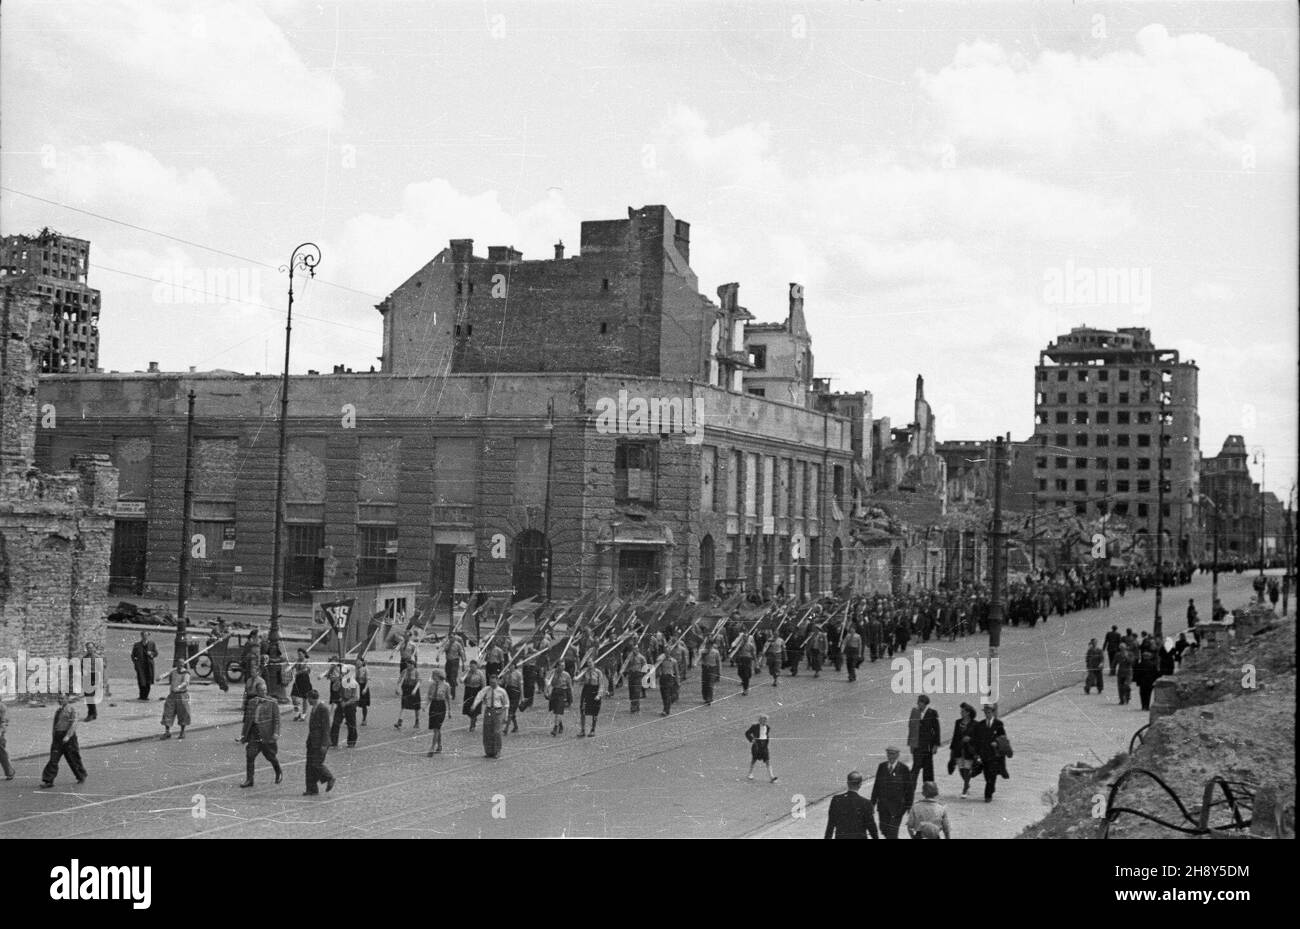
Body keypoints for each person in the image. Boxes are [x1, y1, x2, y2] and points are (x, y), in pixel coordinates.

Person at [240, 679, 282, 787]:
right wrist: (243, 735)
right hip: (255, 733)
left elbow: (277, 719)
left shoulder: (272, 702)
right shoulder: (252, 702)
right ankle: (250, 780)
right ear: (257, 692)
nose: (264, 692)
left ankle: (278, 771)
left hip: (267, 734)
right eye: (261, 690)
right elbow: (248, 720)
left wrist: (276, 733)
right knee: (250, 755)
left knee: (270, 756)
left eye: (265, 690)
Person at [40, 693, 87, 788]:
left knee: (73, 758)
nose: (60, 700)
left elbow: (74, 724)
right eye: (59, 698)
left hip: (68, 738)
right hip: (58, 738)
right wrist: (54, 735)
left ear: (67, 699)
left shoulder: (72, 710)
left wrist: (68, 736)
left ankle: (81, 776)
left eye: (62, 698)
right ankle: (48, 780)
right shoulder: (58, 710)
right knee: (53, 759)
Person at [870, 746, 913, 838]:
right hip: (883, 806)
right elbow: (876, 786)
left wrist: (909, 806)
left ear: (897, 755)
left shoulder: (904, 769)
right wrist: (872, 803)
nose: (890, 756)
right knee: (883, 829)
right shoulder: (881, 767)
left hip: (898, 808)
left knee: (892, 833)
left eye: (893, 754)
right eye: (888, 753)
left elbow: (909, 789)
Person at [824, 770, 878, 838]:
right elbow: (872, 828)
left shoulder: (836, 800)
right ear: (860, 784)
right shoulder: (866, 803)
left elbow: (830, 826)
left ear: (847, 783)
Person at [972, 703, 1008, 802]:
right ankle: (991, 788)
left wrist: (996, 743)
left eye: (989, 712)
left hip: (994, 755)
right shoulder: (980, 725)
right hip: (984, 755)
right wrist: (977, 754)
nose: (987, 714)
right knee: (987, 775)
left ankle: (988, 796)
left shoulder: (998, 724)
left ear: (993, 712)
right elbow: (976, 740)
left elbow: (1003, 738)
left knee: (991, 775)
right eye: (985, 712)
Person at [303, 690, 335, 796]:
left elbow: (326, 727)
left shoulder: (323, 709)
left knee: (316, 764)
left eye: (308, 699)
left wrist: (324, 744)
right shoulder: (314, 708)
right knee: (309, 766)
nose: (308, 701)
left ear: (312, 698)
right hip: (312, 742)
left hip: (320, 742)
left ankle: (329, 777)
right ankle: (311, 789)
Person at [471, 672, 510, 758]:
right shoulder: (487, 689)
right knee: (487, 732)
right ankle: (489, 752)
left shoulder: (502, 691)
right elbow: (479, 696)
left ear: (497, 681)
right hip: (488, 711)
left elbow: (506, 704)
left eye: (494, 683)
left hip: (498, 712)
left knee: (497, 732)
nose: (492, 684)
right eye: (490, 683)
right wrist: (474, 705)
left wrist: (506, 716)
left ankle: (498, 751)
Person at [907, 694, 941, 787]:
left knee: (928, 768)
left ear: (925, 704)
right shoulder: (915, 712)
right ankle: (910, 788)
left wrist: (936, 745)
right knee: (916, 767)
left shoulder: (932, 713)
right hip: (917, 746)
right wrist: (911, 744)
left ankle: (929, 788)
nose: (919, 705)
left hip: (928, 746)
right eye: (918, 703)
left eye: (921, 703)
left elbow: (936, 730)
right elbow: (911, 728)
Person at [947, 703, 978, 796]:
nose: (961, 713)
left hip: (969, 750)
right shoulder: (958, 722)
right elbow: (955, 736)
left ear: (968, 713)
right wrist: (952, 749)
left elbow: (978, 737)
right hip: (958, 749)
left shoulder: (975, 724)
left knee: (967, 769)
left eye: (963, 711)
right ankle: (967, 784)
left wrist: (970, 739)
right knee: (961, 769)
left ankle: (964, 789)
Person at [160, 658, 191, 739]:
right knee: (168, 712)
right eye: (179, 664)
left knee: (183, 713)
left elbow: (186, 682)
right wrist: (161, 677)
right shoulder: (173, 671)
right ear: (176, 664)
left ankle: (182, 732)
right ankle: (167, 732)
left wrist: (179, 687)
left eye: (182, 664)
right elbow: (166, 674)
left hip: (182, 695)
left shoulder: (186, 673)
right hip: (172, 695)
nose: (180, 665)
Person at [576, 660, 606, 738]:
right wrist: (577, 677)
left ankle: (593, 729)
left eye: (590, 663)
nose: (589, 664)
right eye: (587, 663)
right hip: (586, 691)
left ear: (594, 663)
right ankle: (582, 730)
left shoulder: (598, 672)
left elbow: (601, 684)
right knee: (582, 710)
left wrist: (599, 695)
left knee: (594, 711)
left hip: (594, 691)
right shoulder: (584, 671)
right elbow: (578, 680)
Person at [332, 664, 360, 747]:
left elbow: (356, 697)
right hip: (342, 702)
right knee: (336, 722)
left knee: (351, 723)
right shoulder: (342, 681)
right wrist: (338, 680)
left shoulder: (354, 684)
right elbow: (335, 689)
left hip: (350, 704)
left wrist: (347, 703)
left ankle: (351, 741)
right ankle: (333, 741)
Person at [744, 714, 778, 783]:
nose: (765, 721)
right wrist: (751, 739)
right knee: (754, 759)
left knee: (767, 760)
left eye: (766, 720)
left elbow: (766, 735)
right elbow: (747, 733)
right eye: (763, 720)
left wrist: (766, 741)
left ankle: (771, 777)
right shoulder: (754, 727)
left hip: (764, 746)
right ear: (760, 720)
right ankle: (750, 773)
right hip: (756, 745)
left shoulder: (768, 727)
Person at [426, 668, 452, 755]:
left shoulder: (446, 685)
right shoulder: (432, 685)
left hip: (441, 706)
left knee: (437, 728)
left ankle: (432, 747)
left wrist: (449, 711)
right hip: (433, 706)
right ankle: (439, 745)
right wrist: (425, 706)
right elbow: (429, 696)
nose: (432, 677)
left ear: (438, 676)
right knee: (436, 728)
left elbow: (448, 698)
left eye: (434, 675)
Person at [546, 662, 572, 735]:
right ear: (557, 666)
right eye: (561, 666)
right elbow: (547, 681)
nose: (563, 667)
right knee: (555, 710)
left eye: (564, 666)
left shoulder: (566, 675)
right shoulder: (552, 673)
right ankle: (560, 725)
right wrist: (547, 691)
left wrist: (570, 698)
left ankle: (555, 728)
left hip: (562, 693)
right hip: (554, 692)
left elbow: (570, 686)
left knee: (558, 711)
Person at [131, 631, 158, 701]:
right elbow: (133, 655)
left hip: (149, 665)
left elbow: (156, 653)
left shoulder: (152, 644)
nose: (144, 637)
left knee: (148, 680)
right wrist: (135, 663)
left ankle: (146, 696)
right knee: (141, 680)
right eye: (143, 635)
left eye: (146, 635)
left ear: (148, 636)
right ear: (141, 636)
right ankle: (141, 695)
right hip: (140, 665)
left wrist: (151, 653)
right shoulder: (137, 645)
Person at [394, 663, 421, 730]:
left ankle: (417, 721)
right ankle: (399, 722)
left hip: (414, 689)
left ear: (413, 665)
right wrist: (397, 688)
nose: (408, 666)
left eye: (409, 665)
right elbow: (400, 680)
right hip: (406, 689)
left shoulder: (416, 671)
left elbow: (419, 682)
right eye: (407, 665)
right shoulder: (404, 671)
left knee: (416, 707)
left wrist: (415, 690)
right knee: (403, 705)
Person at [462, 661, 486, 731]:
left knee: (475, 709)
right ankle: (473, 719)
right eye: (470, 666)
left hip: (476, 691)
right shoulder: (468, 672)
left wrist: (483, 695)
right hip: (468, 690)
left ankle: (472, 725)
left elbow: (483, 684)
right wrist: (465, 673)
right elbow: (461, 680)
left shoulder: (480, 674)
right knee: (467, 708)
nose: (472, 668)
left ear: (476, 666)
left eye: (473, 666)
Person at [289, 648, 312, 721]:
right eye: (298, 654)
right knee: (293, 696)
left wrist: (298, 672)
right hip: (297, 681)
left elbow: (307, 670)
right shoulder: (297, 661)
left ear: (304, 654)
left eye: (300, 654)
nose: (299, 655)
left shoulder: (307, 661)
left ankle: (303, 715)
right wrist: (290, 668)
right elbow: (292, 667)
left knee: (305, 698)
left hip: (305, 680)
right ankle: (297, 712)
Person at [1133, 647, 1158, 711]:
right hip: (1150, 682)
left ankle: (1143, 706)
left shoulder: (1140, 664)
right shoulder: (1152, 664)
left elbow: (1136, 673)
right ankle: (1147, 706)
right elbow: (1156, 674)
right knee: (1148, 694)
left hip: (1142, 682)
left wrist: (1137, 681)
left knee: (1142, 694)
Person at [656, 650, 679, 717]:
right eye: (665, 652)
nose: (667, 653)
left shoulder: (674, 661)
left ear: (670, 653)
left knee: (667, 695)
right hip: (663, 678)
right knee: (663, 695)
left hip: (670, 678)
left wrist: (678, 682)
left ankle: (666, 710)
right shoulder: (661, 660)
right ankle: (665, 708)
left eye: (668, 652)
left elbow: (677, 672)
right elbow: (657, 666)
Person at [501, 663, 523, 734]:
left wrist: (521, 697)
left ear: (514, 666)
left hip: (515, 693)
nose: (510, 667)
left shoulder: (518, 674)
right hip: (508, 692)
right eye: (509, 665)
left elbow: (520, 686)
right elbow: (502, 683)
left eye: (511, 665)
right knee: (511, 710)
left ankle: (506, 728)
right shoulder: (505, 674)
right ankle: (516, 726)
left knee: (511, 710)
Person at [698, 638, 721, 705]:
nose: (708, 646)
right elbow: (699, 658)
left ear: (712, 645)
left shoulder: (716, 652)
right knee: (704, 684)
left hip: (712, 669)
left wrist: (718, 672)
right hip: (705, 669)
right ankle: (705, 697)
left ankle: (709, 698)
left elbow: (718, 662)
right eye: (707, 644)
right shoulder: (702, 651)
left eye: (709, 644)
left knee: (710, 684)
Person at [81, 643, 99, 721]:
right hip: (87, 678)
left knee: (89, 696)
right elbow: (82, 668)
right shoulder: (84, 658)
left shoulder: (97, 658)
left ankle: (90, 714)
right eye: (88, 648)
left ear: (94, 648)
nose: (90, 649)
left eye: (91, 648)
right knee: (88, 697)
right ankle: (93, 713)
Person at [625, 645, 646, 712]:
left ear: (638, 650)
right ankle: (634, 705)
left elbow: (645, 667)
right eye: (633, 649)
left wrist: (643, 675)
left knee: (636, 691)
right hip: (631, 675)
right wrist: (626, 672)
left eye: (636, 649)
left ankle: (635, 706)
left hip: (638, 675)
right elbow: (626, 665)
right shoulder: (629, 657)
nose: (635, 651)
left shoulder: (641, 657)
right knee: (631, 691)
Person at [444, 634, 466, 699]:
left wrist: (463, 664)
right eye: (450, 638)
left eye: (452, 638)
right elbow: (443, 650)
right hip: (448, 662)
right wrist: (438, 656)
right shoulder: (447, 644)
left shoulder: (458, 644)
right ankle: (447, 693)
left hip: (455, 662)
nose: (451, 639)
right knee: (447, 677)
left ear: (454, 638)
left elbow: (461, 653)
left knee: (452, 678)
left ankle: (452, 694)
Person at [355, 656, 371, 726]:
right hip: (356, 687)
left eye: (359, 662)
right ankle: (351, 718)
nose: (357, 663)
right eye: (357, 662)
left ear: (362, 662)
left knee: (364, 705)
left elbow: (368, 681)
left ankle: (364, 719)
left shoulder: (365, 669)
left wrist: (365, 689)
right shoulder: (355, 669)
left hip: (363, 687)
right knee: (354, 703)